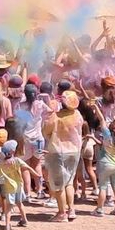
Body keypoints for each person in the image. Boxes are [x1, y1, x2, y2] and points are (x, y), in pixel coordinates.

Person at [42, 90, 84, 222]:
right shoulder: (77, 115)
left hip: (58, 152)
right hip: (75, 151)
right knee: (69, 182)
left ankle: (61, 213)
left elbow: (45, 131)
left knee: (59, 183)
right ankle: (71, 210)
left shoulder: (56, 117)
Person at [91, 103, 115, 217]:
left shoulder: (107, 135)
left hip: (105, 163)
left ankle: (99, 209)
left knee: (102, 187)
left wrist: (96, 107)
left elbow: (101, 119)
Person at [0, 140, 38, 230]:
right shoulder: (17, 160)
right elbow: (28, 168)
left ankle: (7, 225)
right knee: (20, 204)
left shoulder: (2, 164)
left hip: (9, 187)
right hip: (19, 186)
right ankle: (25, 220)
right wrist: (36, 174)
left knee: (8, 207)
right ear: (13, 151)